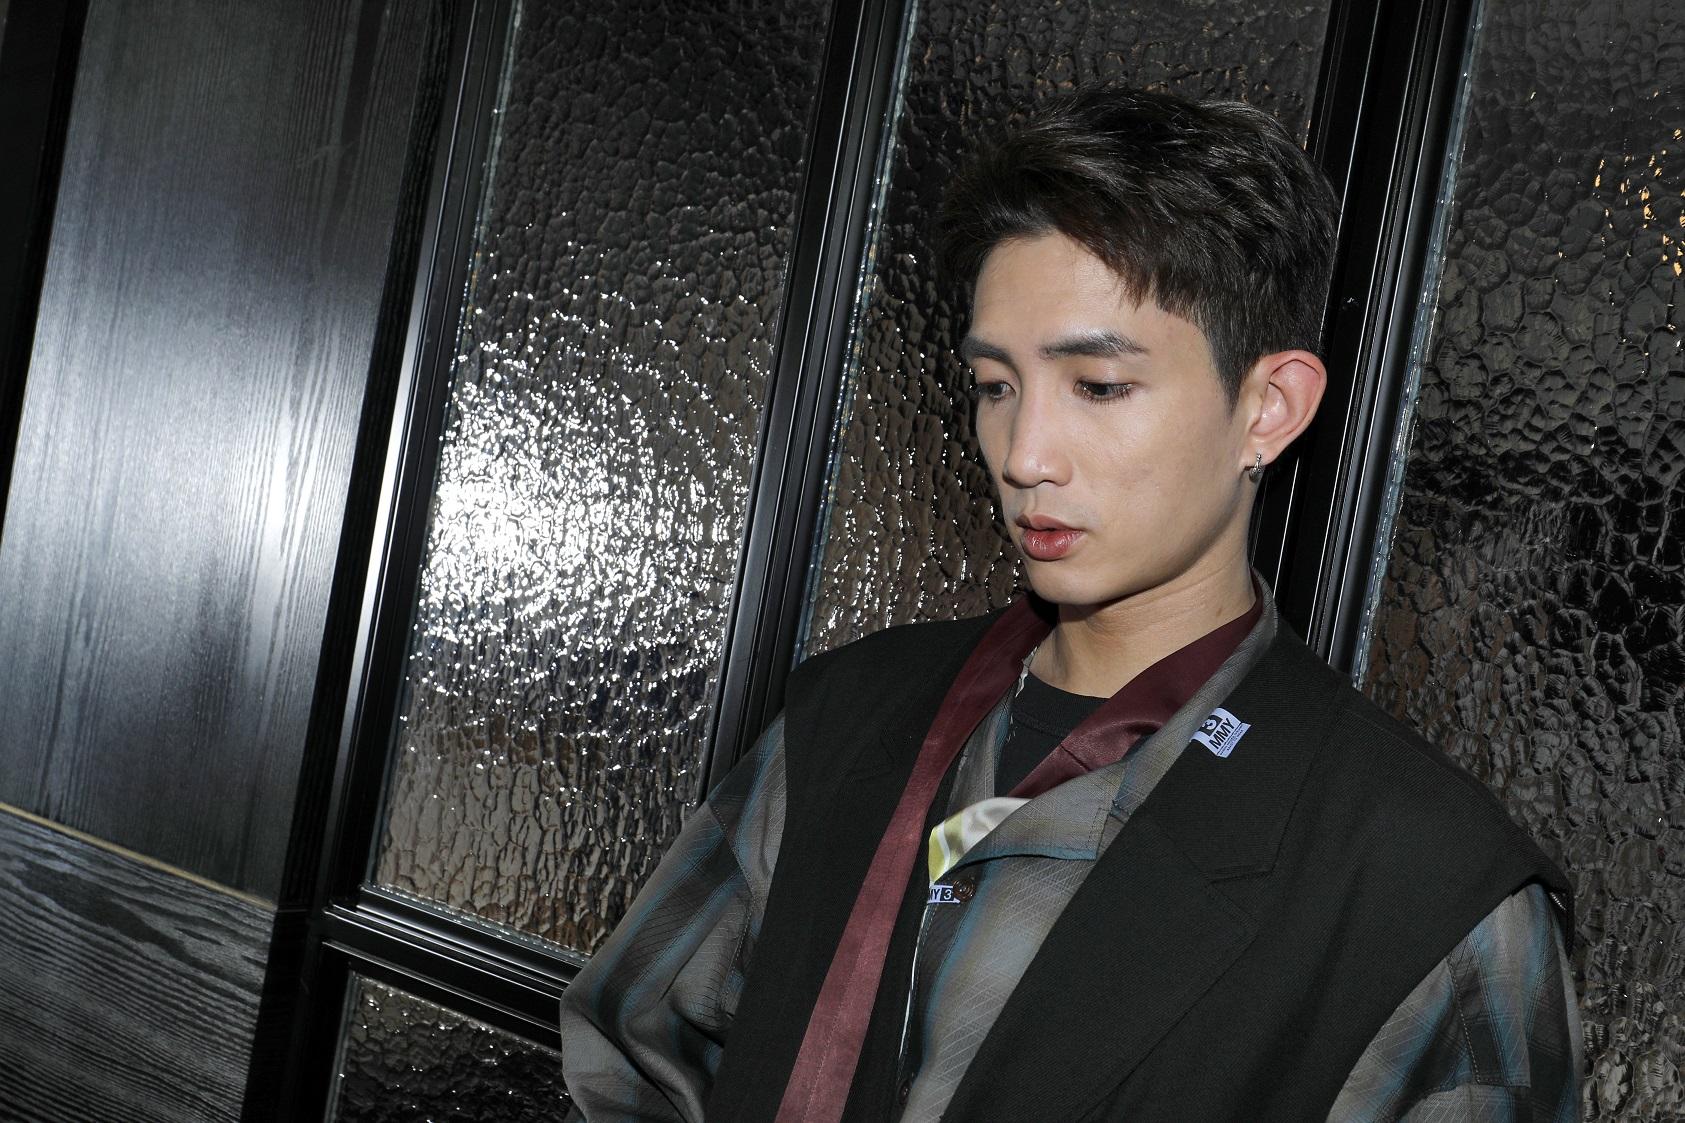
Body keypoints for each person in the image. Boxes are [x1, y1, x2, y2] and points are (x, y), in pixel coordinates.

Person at [559, 85, 1580, 1122]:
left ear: (1266, 408)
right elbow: (633, 1049)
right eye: (995, 386)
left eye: (1096, 385)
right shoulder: (848, 715)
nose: (1024, 455)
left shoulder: (1429, 894)